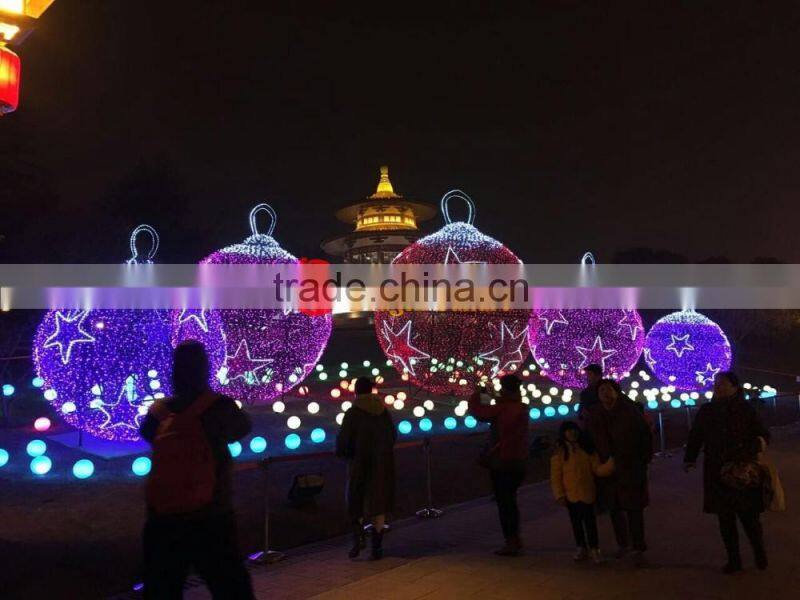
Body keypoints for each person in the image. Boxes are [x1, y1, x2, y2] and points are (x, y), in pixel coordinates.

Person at [139, 340, 253, 599]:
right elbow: (242, 428)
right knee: (231, 587)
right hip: (211, 513)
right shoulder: (219, 407)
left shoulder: (159, 411)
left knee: (162, 588)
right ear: (205, 368)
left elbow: (147, 434)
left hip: (163, 516)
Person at [683, 371, 770, 574]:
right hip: (716, 470)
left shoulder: (746, 409)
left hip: (742, 470)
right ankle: (734, 559)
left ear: (735, 387)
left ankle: (759, 552)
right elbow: (696, 435)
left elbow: (762, 435)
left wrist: (748, 450)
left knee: (749, 517)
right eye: (717, 383)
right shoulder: (707, 410)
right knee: (725, 518)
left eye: (723, 384)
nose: (718, 387)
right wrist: (690, 458)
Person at [586, 379, 653, 567]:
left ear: (616, 392)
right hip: (607, 467)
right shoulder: (595, 414)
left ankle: (638, 546)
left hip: (630, 466)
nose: (605, 393)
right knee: (614, 508)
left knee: (634, 508)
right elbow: (590, 438)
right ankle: (623, 543)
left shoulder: (630, 412)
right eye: (601, 390)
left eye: (608, 389)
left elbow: (645, 437)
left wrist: (643, 460)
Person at [336, 376, 396, 560]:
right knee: (378, 503)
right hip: (381, 463)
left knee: (356, 500)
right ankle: (377, 547)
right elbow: (392, 435)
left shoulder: (353, 413)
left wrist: (344, 453)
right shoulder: (383, 411)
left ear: (356, 391)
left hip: (359, 462)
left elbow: (344, 440)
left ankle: (358, 539)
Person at [469, 374, 529, 556]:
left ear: (505, 389)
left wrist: (479, 393)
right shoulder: (519, 406)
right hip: (518, 460)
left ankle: (511, 542)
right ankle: (514, 539)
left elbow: (480, 412)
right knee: (509, 501)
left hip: (503, 461)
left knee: (505, 503)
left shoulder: (504, 408)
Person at [550, 420, 605, 564]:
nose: (572, 433)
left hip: (587, 492)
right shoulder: (560, 453)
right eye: (568, 430)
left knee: (590, 523)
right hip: (571, 495)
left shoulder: (587, 450)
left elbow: (597, 469)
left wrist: (610, 466)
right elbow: (556, 476)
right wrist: (559, 495)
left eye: (574, 430)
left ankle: (594, 549)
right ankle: (581, 547)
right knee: (576, 524)